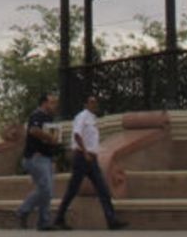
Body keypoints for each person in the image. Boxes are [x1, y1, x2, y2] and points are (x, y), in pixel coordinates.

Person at [54, 95, 126, 230]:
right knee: (72, 190)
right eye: (91, 102)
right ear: (85, 104)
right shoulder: (82, 116)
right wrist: (85, 152)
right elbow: (77, 134)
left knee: (103, 189)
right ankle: (59, 218)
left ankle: (111, 220)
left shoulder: (92, 119)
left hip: (91, 159)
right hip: (82, 157)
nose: (94, 105)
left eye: (95, 103)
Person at [15, 92, 60, 231]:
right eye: (52, 102)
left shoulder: (49, 118)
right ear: (44, 103)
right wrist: (50, 138)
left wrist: (53, 144)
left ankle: (43, 222)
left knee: (47, 191)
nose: (55, 105)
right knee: (45, 189)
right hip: (35, 157)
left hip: (45, 158)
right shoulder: (37, 115)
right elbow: (34, 130)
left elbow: (48, 138)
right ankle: (23, 211)